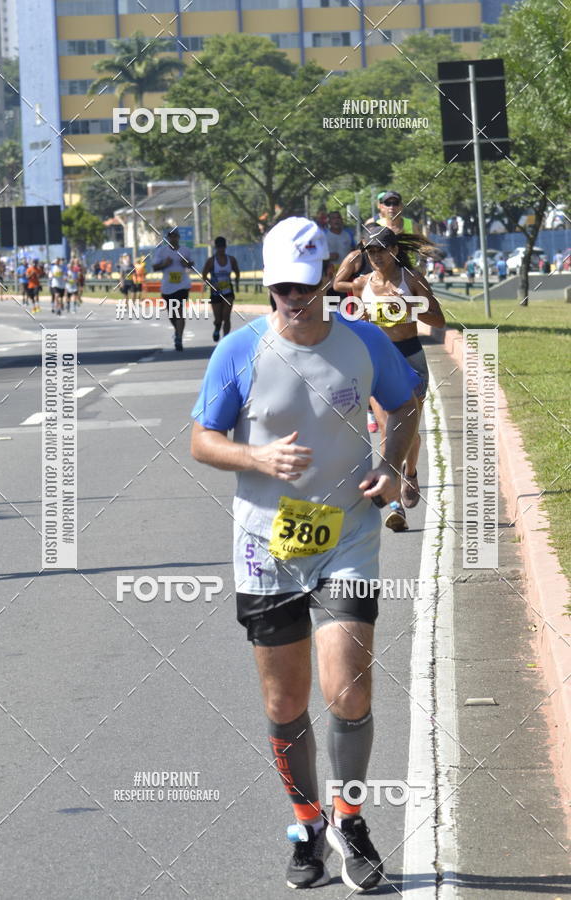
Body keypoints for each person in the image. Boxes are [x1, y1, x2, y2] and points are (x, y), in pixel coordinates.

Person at [191, 216, 421, 892]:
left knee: (347, 687)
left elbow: (406, 406)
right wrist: (254, 454)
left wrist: (393, 467)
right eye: (280, 288)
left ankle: (349, 818)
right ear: (268, 285)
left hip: (347, 535)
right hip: (266, 548)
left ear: (327, 279)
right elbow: (203, 440)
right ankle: (306, 821)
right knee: (285, 698)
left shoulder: (365, 343)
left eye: (303, 286)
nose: (291, 299)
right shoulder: (238, 352)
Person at [350, 225, 445, 532]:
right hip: (379, 362)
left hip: (410, 358)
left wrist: (409, 307)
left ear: (393, 251)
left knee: (410, 432)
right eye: (370, 251)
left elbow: (438, 319)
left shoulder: (412, 279)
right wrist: (362, 319)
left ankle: (411, 472)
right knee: (389, 432)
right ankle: (395, 506)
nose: (375, 256)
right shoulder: (362, 283)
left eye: (380, 250)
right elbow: (354, 321)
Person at [151, 228, 194, 351]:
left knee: (180, 312)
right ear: (167, 238)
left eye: (175, 236)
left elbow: (191, 264)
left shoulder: (185, 250)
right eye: (170, 237)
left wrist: (186, 264)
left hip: (182, 286)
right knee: (172, 314)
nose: (173, 238)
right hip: (167, 288)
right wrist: (165, 264)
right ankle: (177, 331)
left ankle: (179, 338)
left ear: (178, 237)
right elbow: (154, 267)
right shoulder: (161, 251)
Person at [202, 236, 240, 342]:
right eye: (219, 248)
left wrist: (236, 283)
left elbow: (237, 272)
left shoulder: (231, 260)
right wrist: (212, 285)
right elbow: (204, 276)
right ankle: (217, 328)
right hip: (215, 293)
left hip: (228, 291)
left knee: (226, 317)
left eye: (222, 247)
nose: (221, 250)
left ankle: (225, 340)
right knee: (218, 319)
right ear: (216, 248)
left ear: (225, 247)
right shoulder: (211, 261)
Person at [325, 211, 355, 297]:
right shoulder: (324, 236)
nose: (336, 220)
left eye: (338, 218)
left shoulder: (348, 234)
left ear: (342, 220)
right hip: (329, 275)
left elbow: (354, 251)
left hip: (346, 274)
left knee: (345, 302)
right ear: (329, 221)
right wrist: (328, 256)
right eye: (333, 218)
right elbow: (318, 256)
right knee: (331, 303)